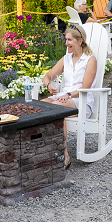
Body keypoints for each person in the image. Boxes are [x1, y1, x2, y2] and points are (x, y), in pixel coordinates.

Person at [41, 25, 96, 169]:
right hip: (64, 98)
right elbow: (47, 76)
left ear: (80, 41)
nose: (66, 43)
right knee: (40, 106)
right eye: (66, 40)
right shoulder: (66, 59)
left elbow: (85, 87)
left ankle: (64, 155)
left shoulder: (90, 60)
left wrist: (69, 95)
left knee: (55, 110)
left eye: (69, 40)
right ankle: (46, 150)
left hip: (81, 101)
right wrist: (49, 85)